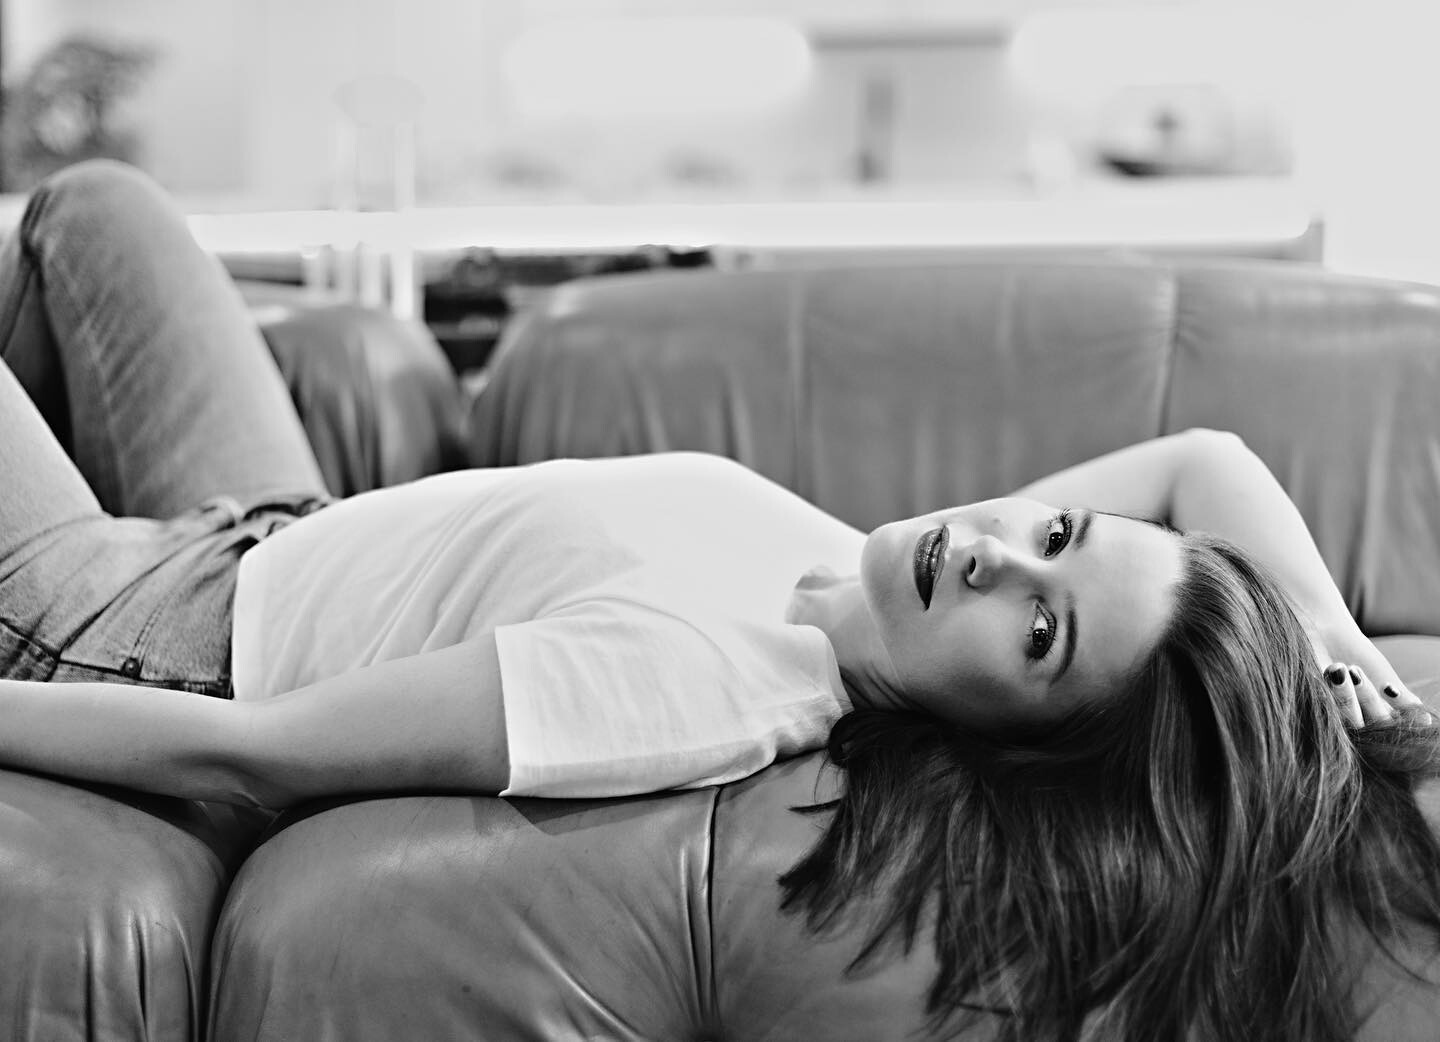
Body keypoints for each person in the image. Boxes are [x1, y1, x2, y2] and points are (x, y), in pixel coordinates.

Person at [0, 161, 1435, 1039]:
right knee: (100, 210)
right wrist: (1324, 640)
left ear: (1017, 738)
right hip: (287, 527)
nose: (999, 554)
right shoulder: (884, 574)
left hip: (139, 627)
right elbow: (1203, 459)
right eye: (1059, 531)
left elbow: (250, 750)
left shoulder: (695, 684)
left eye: (1042, 629)